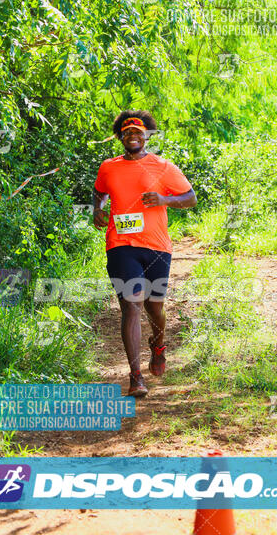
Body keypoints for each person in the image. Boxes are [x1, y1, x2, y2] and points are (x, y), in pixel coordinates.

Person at [93, 110, 197, 397]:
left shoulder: (163, 166)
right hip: (121, 245)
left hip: (156, 247)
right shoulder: (108, 167)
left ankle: (158, 345)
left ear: (146, 135)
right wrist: (98, 209)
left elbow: (190, 197)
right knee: (131, 304)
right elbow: (99, 191)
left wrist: (165, 199)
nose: (132, 136)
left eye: (137, 131)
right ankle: (136, 375)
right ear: (120, 138)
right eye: (127, 133)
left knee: (154, 307)